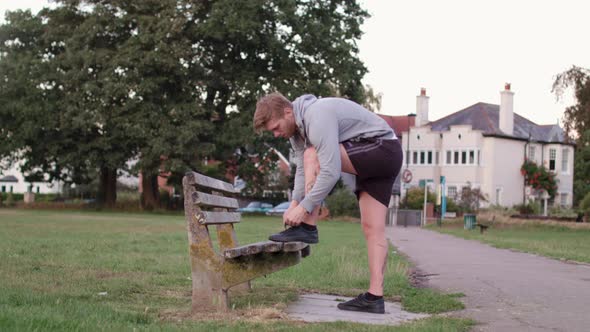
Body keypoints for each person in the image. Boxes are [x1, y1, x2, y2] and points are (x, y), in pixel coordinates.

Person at [253, 92, 403, 314]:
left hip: (381, 148)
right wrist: (294, 203)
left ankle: (308, 227)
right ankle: (375, 297)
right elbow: (303, 170)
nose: (276, 134)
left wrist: (304, 209)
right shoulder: (297, 132)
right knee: (373, 229)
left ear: (287, 112)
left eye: (276, 127)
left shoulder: (317, 115)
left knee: (314, 154)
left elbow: (330, 171)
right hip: (383, 155)